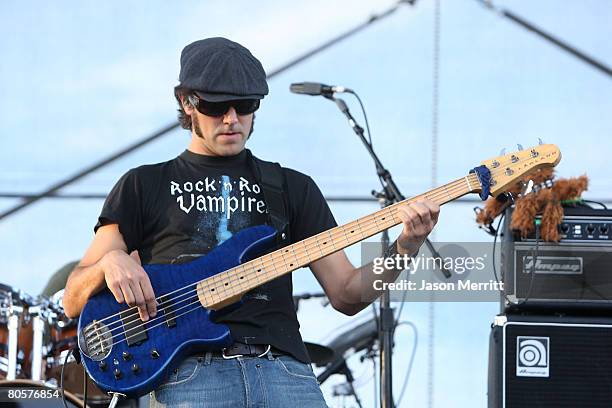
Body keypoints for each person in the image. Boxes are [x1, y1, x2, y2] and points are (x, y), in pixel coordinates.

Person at [63, 37, 440, 407]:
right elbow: (72, 299)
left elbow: (347, 292)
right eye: (216, 105)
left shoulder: (291, 187)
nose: (232, 119)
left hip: (287, 375)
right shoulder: (144, 184)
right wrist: (109, 263)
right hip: (194, 377)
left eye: (245, 105)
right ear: (186, 102)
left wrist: (406, 246)